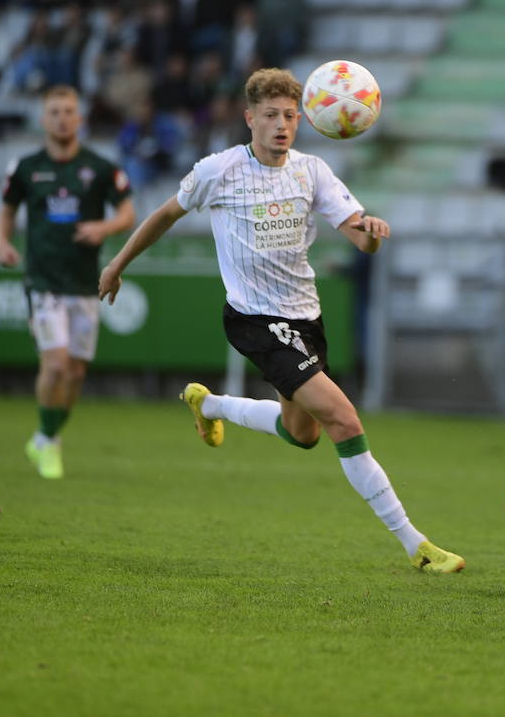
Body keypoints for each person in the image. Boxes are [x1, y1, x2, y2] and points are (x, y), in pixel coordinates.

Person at [97, 68, 464, 574]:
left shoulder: (312, 171)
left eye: (291, 115)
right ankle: (415, 543)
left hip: (306, 319)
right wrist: (117, 264)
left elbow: (359, 234)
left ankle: (212, 404)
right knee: (345, 421)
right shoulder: (218, 170)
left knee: (304, 434)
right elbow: (164, 215)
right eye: (271, 115)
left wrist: (374, 233)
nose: (281, 125)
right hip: (255, 319)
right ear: (250, 119)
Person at [0, 87, 136, 479]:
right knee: (55, 364)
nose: (61, 118)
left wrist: (102, 227)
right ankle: (48, 440)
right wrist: (2, 243)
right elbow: (6, 211)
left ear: (80, 119)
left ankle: (45, 437)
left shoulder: (100, 167)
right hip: (43, 283)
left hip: (84, 285)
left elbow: (128, 213)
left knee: (75, 373)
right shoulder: (25, 168)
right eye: (54, 112)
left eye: (68, 111)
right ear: (43, 119)